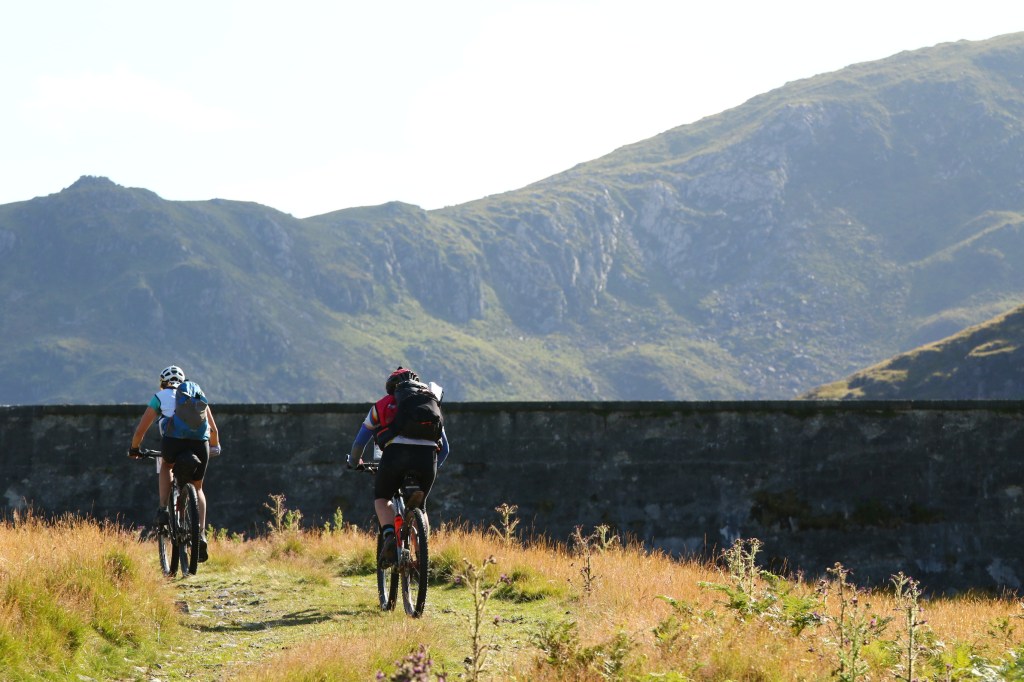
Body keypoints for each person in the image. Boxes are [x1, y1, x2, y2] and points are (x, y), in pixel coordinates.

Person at [348, 366, 449, 567]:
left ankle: (389, 537)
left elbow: (360, 443)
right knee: (421, 507)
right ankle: (422, 556)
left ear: (392, 388)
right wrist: (433, 466)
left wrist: (354, 462)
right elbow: (445, 449)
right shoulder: (430, 404)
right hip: (427, 459)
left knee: (382, 498)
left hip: (395, 456)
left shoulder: (382, 405)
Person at [128, 364, 220, 562]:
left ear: (163, 383)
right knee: (198, 487)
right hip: (200, 444)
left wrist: (134, 449)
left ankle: (163, 509)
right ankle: (200, 534)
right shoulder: (196, 394)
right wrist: (215, 447)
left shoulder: (159, 397)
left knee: (166, 465)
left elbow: (140, 431)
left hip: (173, 442)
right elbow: (213, 430)